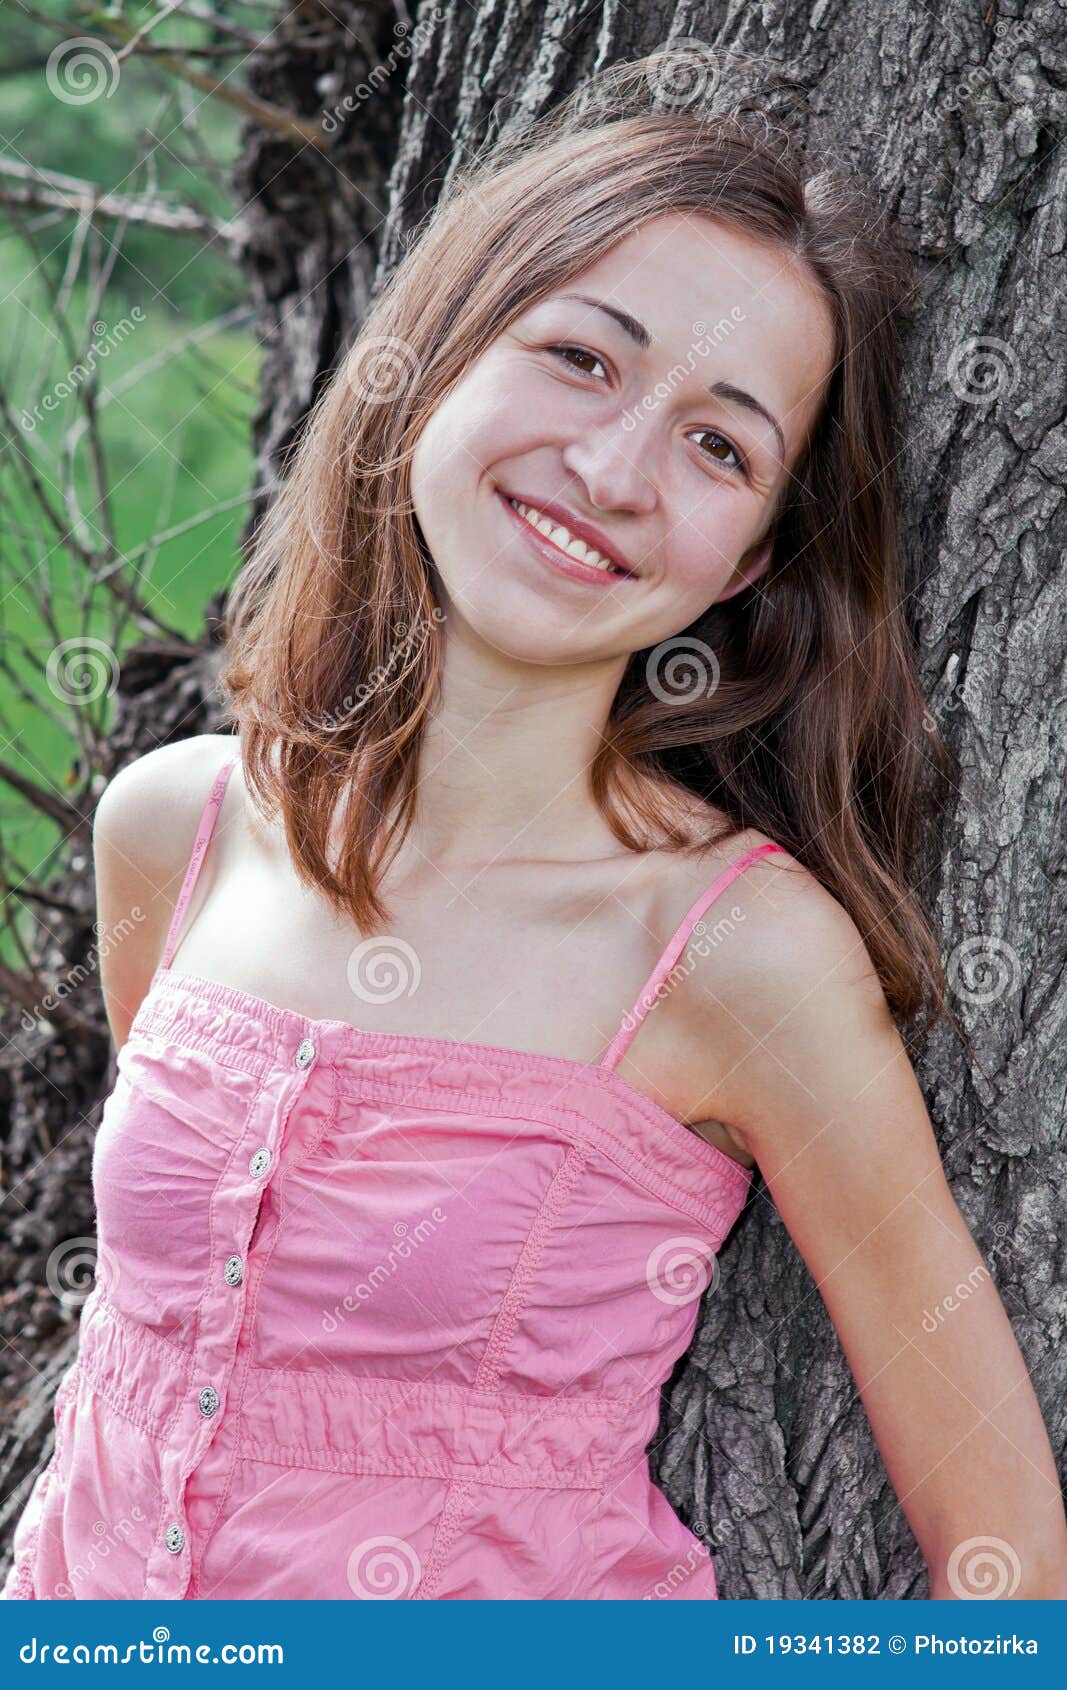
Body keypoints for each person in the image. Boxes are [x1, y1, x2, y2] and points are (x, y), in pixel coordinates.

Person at [4, 51, 1065, 1602]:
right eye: (582, 358)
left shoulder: (735, 954)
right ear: (441, 352)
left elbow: (1014, 1577)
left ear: (747, 565)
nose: (615, 470)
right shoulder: (178, 827)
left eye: (719, 444)